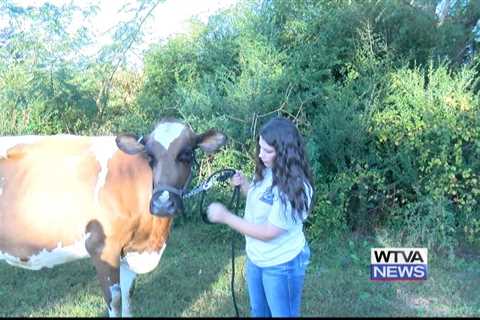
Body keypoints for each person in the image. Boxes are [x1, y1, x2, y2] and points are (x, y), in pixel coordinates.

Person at [207, 116, 314, 317]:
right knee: (259, 313)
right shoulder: (269, 170)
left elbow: (268, 232)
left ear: (284, 152)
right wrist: (245, 186)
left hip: (282, 264)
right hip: (257, 258)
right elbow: (263, 202)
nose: (261, 155)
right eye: (260, 147)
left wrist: (226, 217)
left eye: (268, 151)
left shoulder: (296, 187)